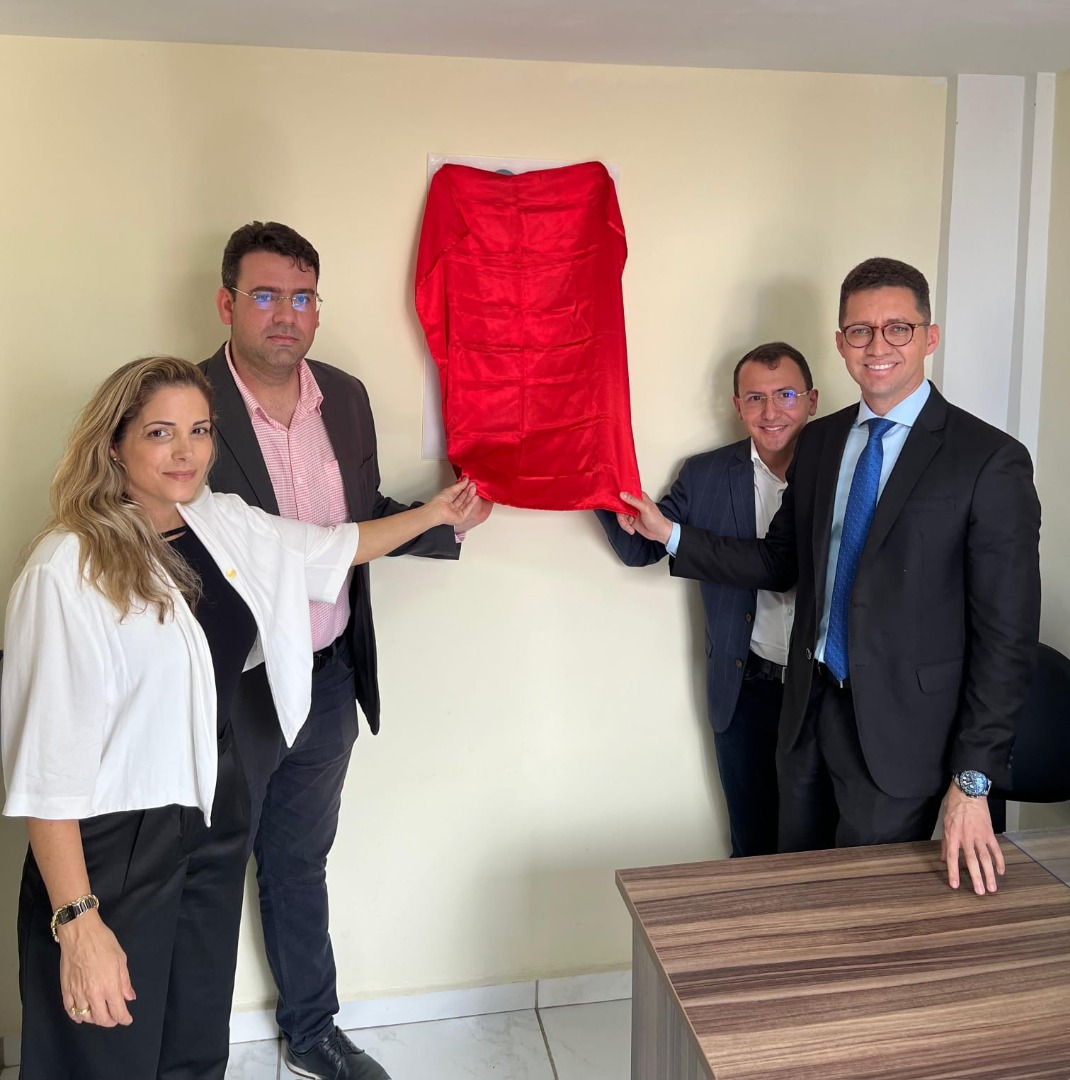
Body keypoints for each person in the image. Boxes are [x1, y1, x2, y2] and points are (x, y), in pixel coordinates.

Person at [0, 357, 476, 1080]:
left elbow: (335, 547)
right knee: (104, 1048)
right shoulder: (67, 568)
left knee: (193, 1040)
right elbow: (47, 768)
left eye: (199, 430)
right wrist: (77, 919)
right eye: (160, 432)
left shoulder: (219, 520)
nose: (185, 452)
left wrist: (438, 513)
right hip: (112, 840)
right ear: (114, 444)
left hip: (214, 810)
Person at [618, 258, 1041, 896]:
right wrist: (669, 534)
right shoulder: (820, 443)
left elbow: (1006, 636)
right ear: (841, 343)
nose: (878, 346)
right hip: (807, 718)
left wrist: (973, 778)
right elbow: (779, 562)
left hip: (902, 736)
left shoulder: (988, 459)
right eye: (860, 331)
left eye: (898, 328)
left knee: (865, 908)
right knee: (796, 894)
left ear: (929, 337)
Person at [200, 221, 491, 1080]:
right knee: (208, 867)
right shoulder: (188, 403)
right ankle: (187, 1055)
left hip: (329, 676)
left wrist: (446, 521)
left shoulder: (347, 398)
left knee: (298, 861)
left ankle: (311, 1033)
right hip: (236, 687)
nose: (284, 315)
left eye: (301, 297)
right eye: (264, 295)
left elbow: (358, 521)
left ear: (317, 310)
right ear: (226, 303)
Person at [596, 342, 818, 856]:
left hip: (825, 693)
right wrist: (596, 483)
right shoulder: (705, 475)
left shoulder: (843, 469)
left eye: (785, 395)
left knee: (823, 851)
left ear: (811, 400)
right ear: (737, 406)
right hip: (745, 690)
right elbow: (640, 548)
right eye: (755, 398)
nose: (771, 411)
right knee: (753, 848)